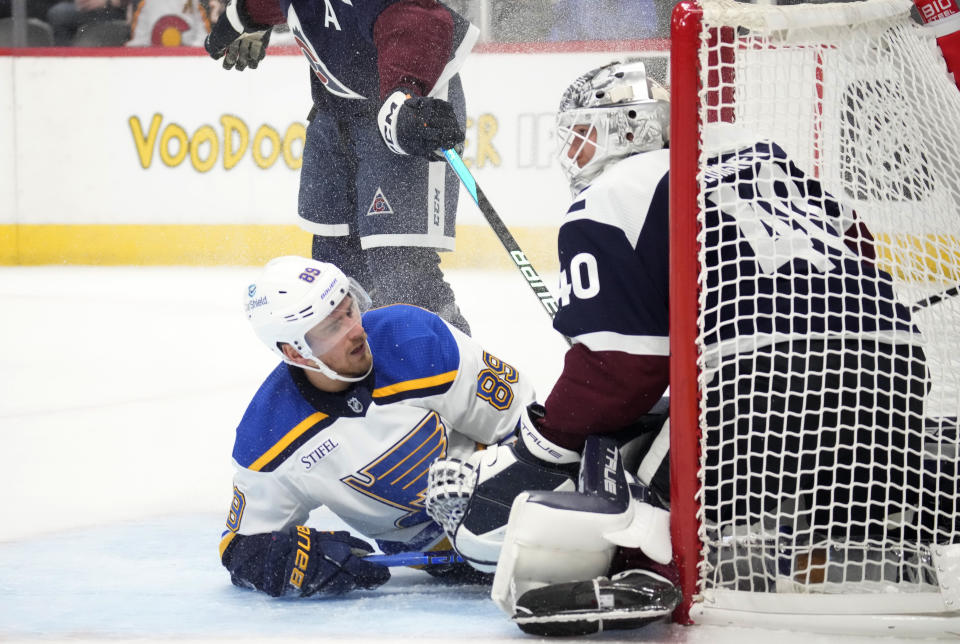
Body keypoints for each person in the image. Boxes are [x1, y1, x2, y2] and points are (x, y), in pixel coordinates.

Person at [424, 58, 930, 635]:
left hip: (764, 388)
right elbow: (857, 246)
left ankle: (654, 562)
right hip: (896, 368)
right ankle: (863, 528)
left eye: (584, 132)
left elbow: (620, 371)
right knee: (841, 513)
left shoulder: (608, 197)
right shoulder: (765, 158)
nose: (575, 151)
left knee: (623, 472)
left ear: (632, 125)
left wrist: (542, 442)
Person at [218, 255, 575, 599]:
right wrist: (292, 561)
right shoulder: (267, 436)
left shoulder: (414, 338)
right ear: (295, 352)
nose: (356, 330)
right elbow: (241, 546)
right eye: (332, 326)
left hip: (526, 505)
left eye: (349, 308)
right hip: (444, 560)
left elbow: (526, 425)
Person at [203, 0, 475, 335]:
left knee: (403, 278)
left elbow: (414, 17)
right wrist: (244, 16)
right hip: (335, 112)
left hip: (412, 104)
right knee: (334, 283)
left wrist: (404, 95)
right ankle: (358, 380)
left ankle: (451, 376)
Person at [46, 0, 129, 45]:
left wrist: (107, 2)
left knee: (60, 14)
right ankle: (65, 58)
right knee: (58, 13)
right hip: (83, 8)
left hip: (118, 10)